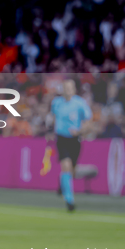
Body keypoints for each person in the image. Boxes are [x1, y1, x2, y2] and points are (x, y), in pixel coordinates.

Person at [51, 79, 92, 211]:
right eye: (66, 88)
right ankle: (70, 200)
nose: (68, 90)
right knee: (66, 165)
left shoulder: (80, 104)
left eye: (70, 88)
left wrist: (79, 130)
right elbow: (53, 117)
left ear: (74, 90)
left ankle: (62, 183)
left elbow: (88, 122)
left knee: (71, 171)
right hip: (62, 138)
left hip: (75, 139)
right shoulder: (56, 103)